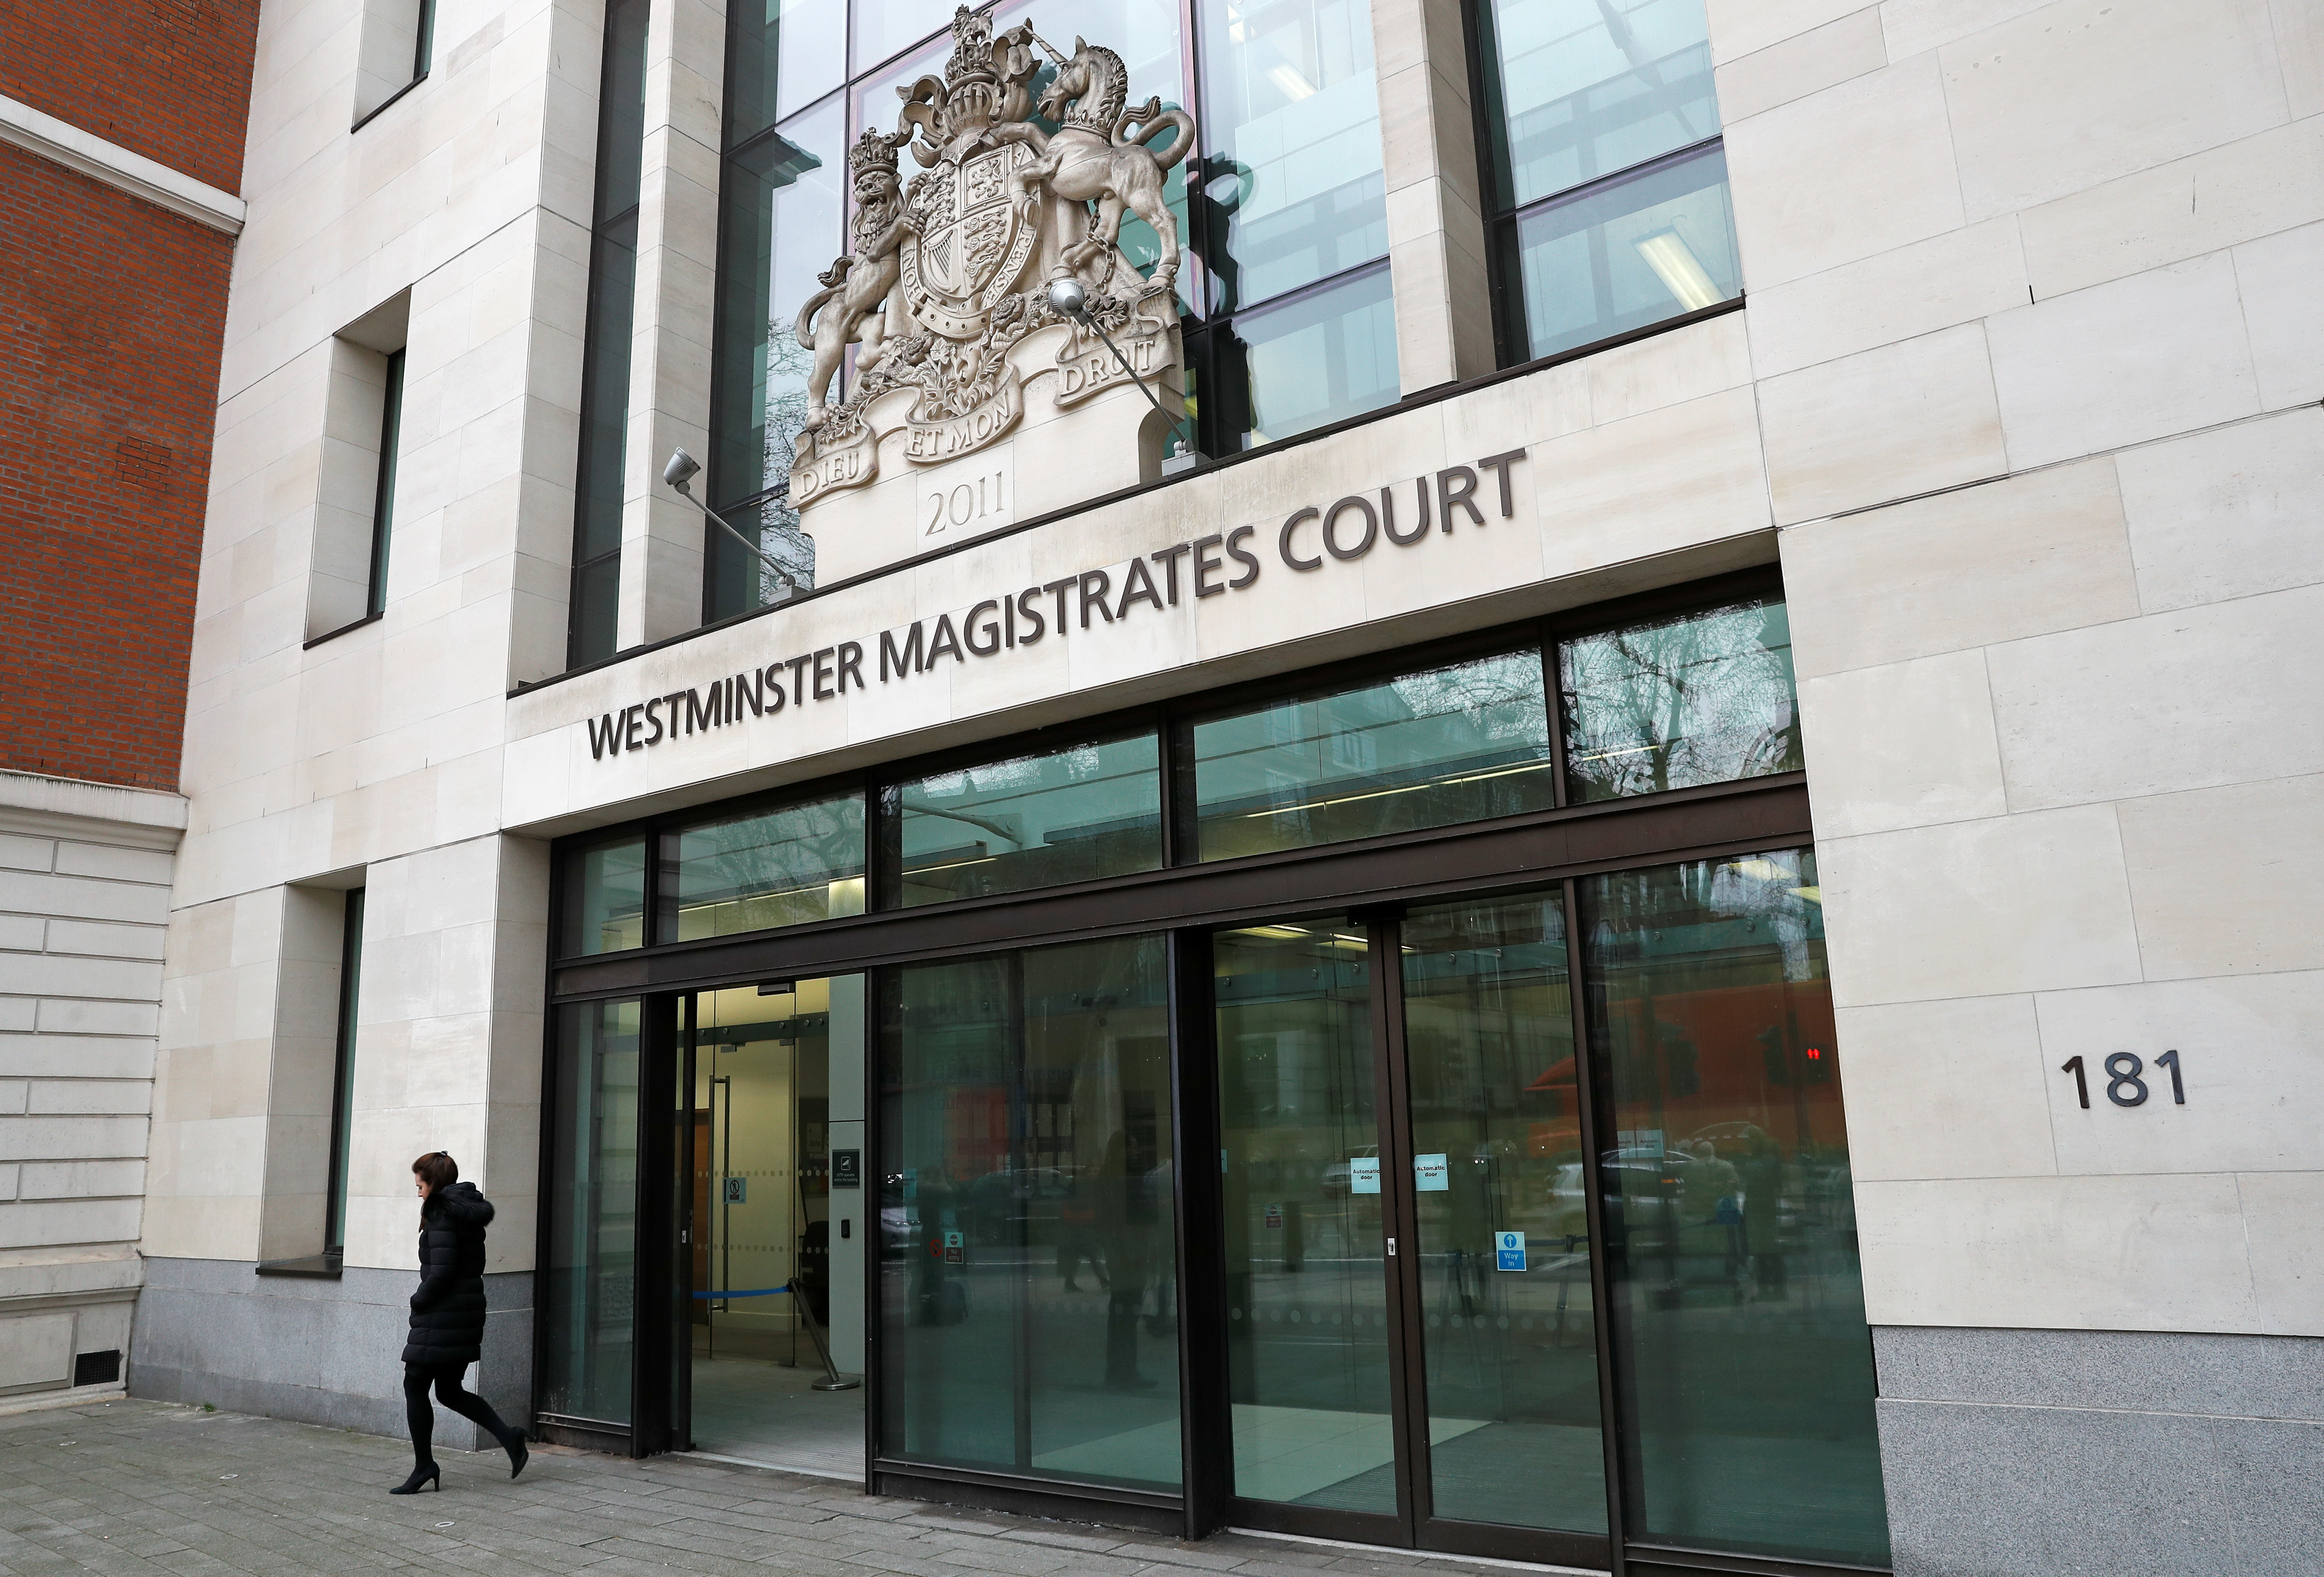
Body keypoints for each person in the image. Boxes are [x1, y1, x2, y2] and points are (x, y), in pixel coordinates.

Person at [391, 1152, 529, 1494]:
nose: (419, 1192)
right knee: (449, 1390)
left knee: (415, 1384)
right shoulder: (465, 1212)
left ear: (434, 1183)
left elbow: (441, 1272)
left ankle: (425, 1465)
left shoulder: (440, 1213)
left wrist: (417, 1300)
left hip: (442, 1315)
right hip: (463, 1313)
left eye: (421, 1185)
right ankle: (511, 1438)